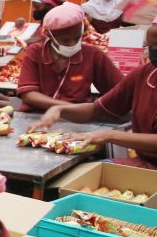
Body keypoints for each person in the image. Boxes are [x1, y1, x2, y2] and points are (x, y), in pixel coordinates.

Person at [28, 17, 157, 170]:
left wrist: (110, 135)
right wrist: (60, 110)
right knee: (78, 176)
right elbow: (97, 109)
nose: (152, 50)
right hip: (146, 163)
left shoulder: (92, 54)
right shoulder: (144, 74)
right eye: (151, 44)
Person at [16, 3, 122, 112]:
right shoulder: (35, 52)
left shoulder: (93, 54)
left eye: (77, 38)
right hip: (35, 118)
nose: (72, 44)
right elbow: (28, 94)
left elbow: (121, 90)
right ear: (50, 36)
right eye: (65, 41)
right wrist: (72, 108)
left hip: (76, 121)